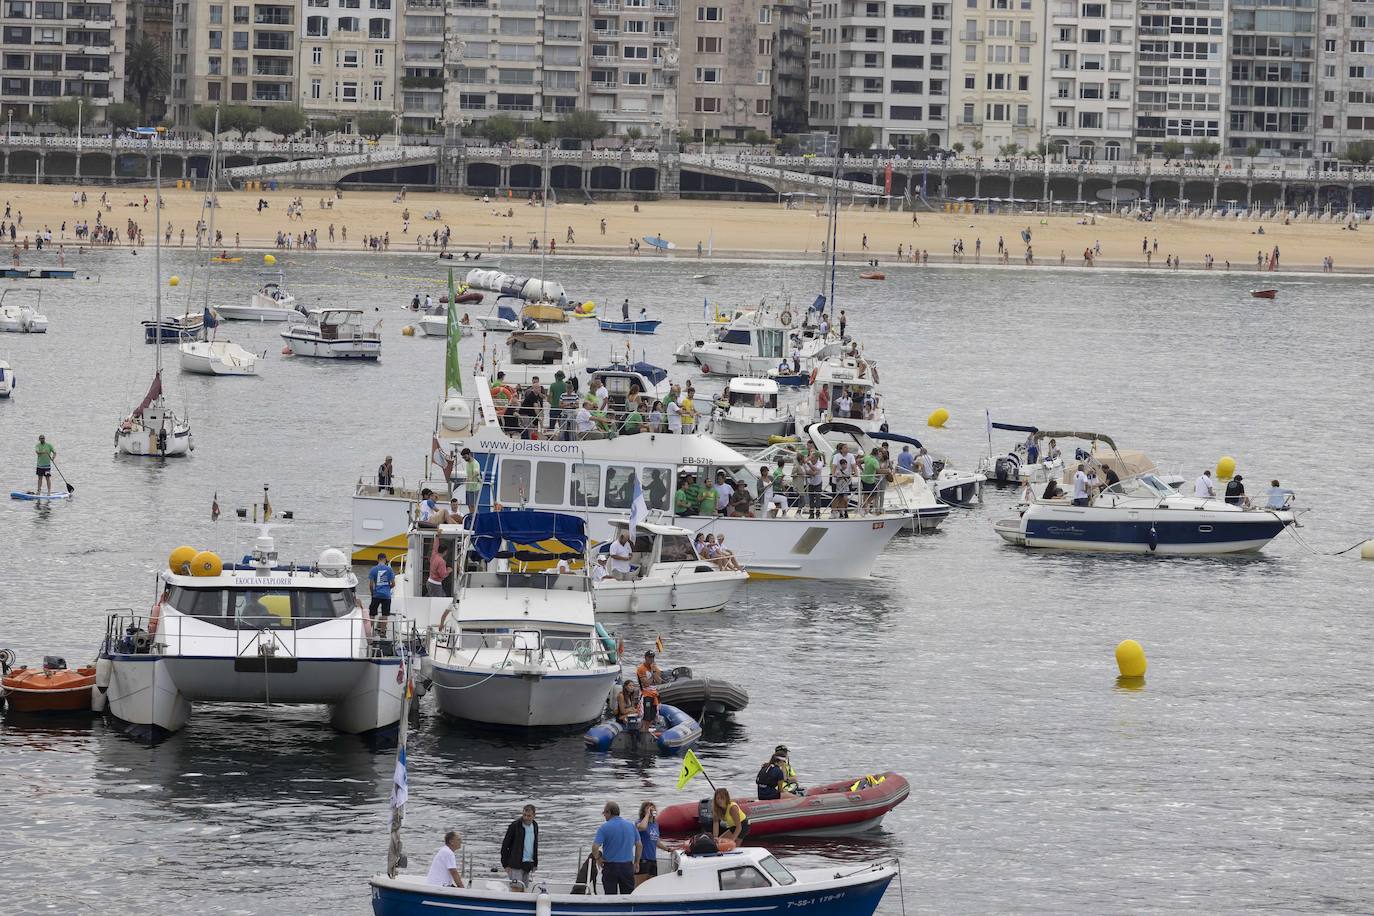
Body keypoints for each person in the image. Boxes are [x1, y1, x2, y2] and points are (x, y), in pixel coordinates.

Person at [592, 801, 641, 895]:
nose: (604, 816)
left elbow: (595, 847)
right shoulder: (631, 826)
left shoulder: (604, 827)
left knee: (610, 897)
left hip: (610, 867)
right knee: (628, 896)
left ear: (609, 812)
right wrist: (637, 862)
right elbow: (639, 845)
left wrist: (598, 858)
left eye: (604, 813)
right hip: (627, 866)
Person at [500, 805, 539, 890]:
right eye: (524, 815)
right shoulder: (515, 826)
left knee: (524, 889)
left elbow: (535, 845)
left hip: (528, 864)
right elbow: (505, 846)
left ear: (534, 816)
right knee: (516, 889)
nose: (526, 818)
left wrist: (535, 863)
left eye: (529, 816)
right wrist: (505, 865)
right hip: (515, 865)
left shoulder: (535, 826)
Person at [636, 802, 671, 883]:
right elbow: (643, 828)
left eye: (653, 808)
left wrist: (668, 849)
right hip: (643, 860)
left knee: (652, 885)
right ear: (643, 811)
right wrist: (647, 815)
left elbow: (656, 842)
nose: (652, 810)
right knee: (640, 886)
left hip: (653, 860)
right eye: (648, 809)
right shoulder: (639, 822)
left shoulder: (655, 825)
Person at [368, 553, 394, 621]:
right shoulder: (389, 569)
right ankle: (383, 631)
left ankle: (370, 630)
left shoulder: (373, 569)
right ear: (385, 559)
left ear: (378, 559)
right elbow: (393, 584)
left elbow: (371, 585)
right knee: (385, 614)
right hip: (386, 595)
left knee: (372, 613)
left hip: (376, 594)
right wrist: (388, 588)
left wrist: (372, 593)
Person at [461, 448, 482, 512]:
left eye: (465, 457)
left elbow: (476, 472)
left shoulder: (475, 463)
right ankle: (471, 516)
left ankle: (475, 518)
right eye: (463, 458)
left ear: (469, 454)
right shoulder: (467, 464)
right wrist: (466, 479)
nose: (464, 459)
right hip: (469, 488)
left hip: (475, 488)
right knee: (469, 505)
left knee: (473, 505)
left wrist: (470, 478)